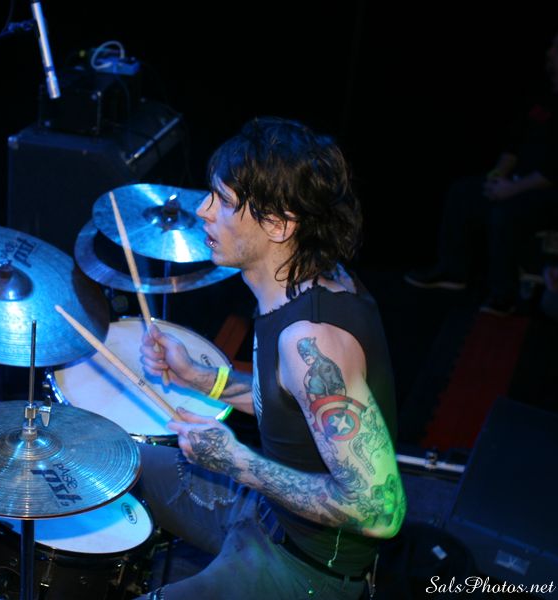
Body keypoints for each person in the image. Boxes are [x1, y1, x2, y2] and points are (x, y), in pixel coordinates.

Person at [133, 117, 406, 599]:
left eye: (224, 202)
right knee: (113, 464)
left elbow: (379, 511)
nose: (202, 210)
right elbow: (288, 403)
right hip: (266, 512)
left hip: (307, 571)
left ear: (279, 224)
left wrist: (236, 461)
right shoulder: (304, 279)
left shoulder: (311, 340)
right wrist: (202, 378)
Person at [404, 27, 558, 315]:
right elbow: (513, 146)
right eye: (553, 47)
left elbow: (557, 170)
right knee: (464, 192)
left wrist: (511, 189)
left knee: (506, 211)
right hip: (516, 182)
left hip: (548, 191)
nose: (550, 53)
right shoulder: (541, 98)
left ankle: (503, 293)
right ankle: (453, 270)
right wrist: (497, 176)